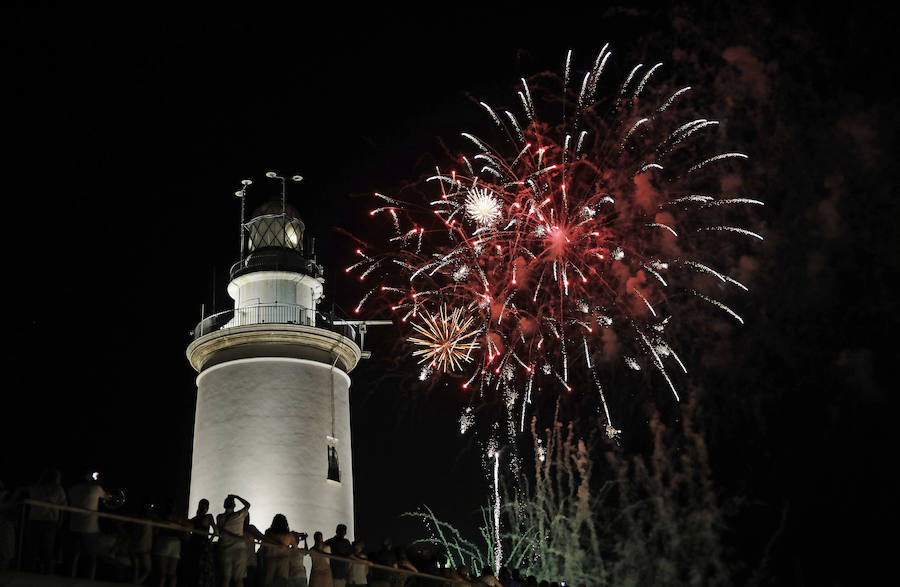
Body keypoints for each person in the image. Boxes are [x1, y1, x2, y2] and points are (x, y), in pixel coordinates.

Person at [67, 471, 111, 580]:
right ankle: (90, 580)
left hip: (74, 526)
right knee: (91, 557)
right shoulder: (96, 488)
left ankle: (70, 577)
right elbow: (108, 497)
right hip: (90, 528)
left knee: (74, 555)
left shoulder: (73, 488)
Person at [24, 468, 67, 574]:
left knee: (38, 547)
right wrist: (60, 520)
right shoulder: (57, 489)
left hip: (41, 520)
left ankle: (35, 570)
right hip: (47, 521)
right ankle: (43, 571)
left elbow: (63, 506)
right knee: (44, 547)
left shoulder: (36, 487)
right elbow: (64, 505)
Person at [217, 494, 251, 587]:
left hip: (225, 550)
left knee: (226, 579)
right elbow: (248, 505)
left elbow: (220, 531)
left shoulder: (220, 517)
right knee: (239, 579)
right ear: (234, 505)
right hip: (239, 550)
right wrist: (237, 497)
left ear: (224, 505)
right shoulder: (239, 515)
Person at [153, 498, 187, 587]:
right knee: (169, 573)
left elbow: (156, 531)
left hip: (167, 541)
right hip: (172, 542)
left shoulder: (164, 517)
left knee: (164, 573)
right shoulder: (176, 518)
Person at [185, 499, 218, 587]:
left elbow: (187, 531)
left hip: (194, 544)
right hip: (204, 545)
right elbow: (216, 531)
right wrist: (210, 541)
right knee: (204, 569)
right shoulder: (209, 517)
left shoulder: (194, 519)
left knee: (194, 567)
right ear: (207, 507)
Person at [261, 513, 295, 585]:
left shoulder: (268, 533)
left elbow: (263, 546)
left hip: (270, 560)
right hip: (284, 562)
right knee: (281, 583)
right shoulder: (289, 536)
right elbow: (295, 548)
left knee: (269, 583)